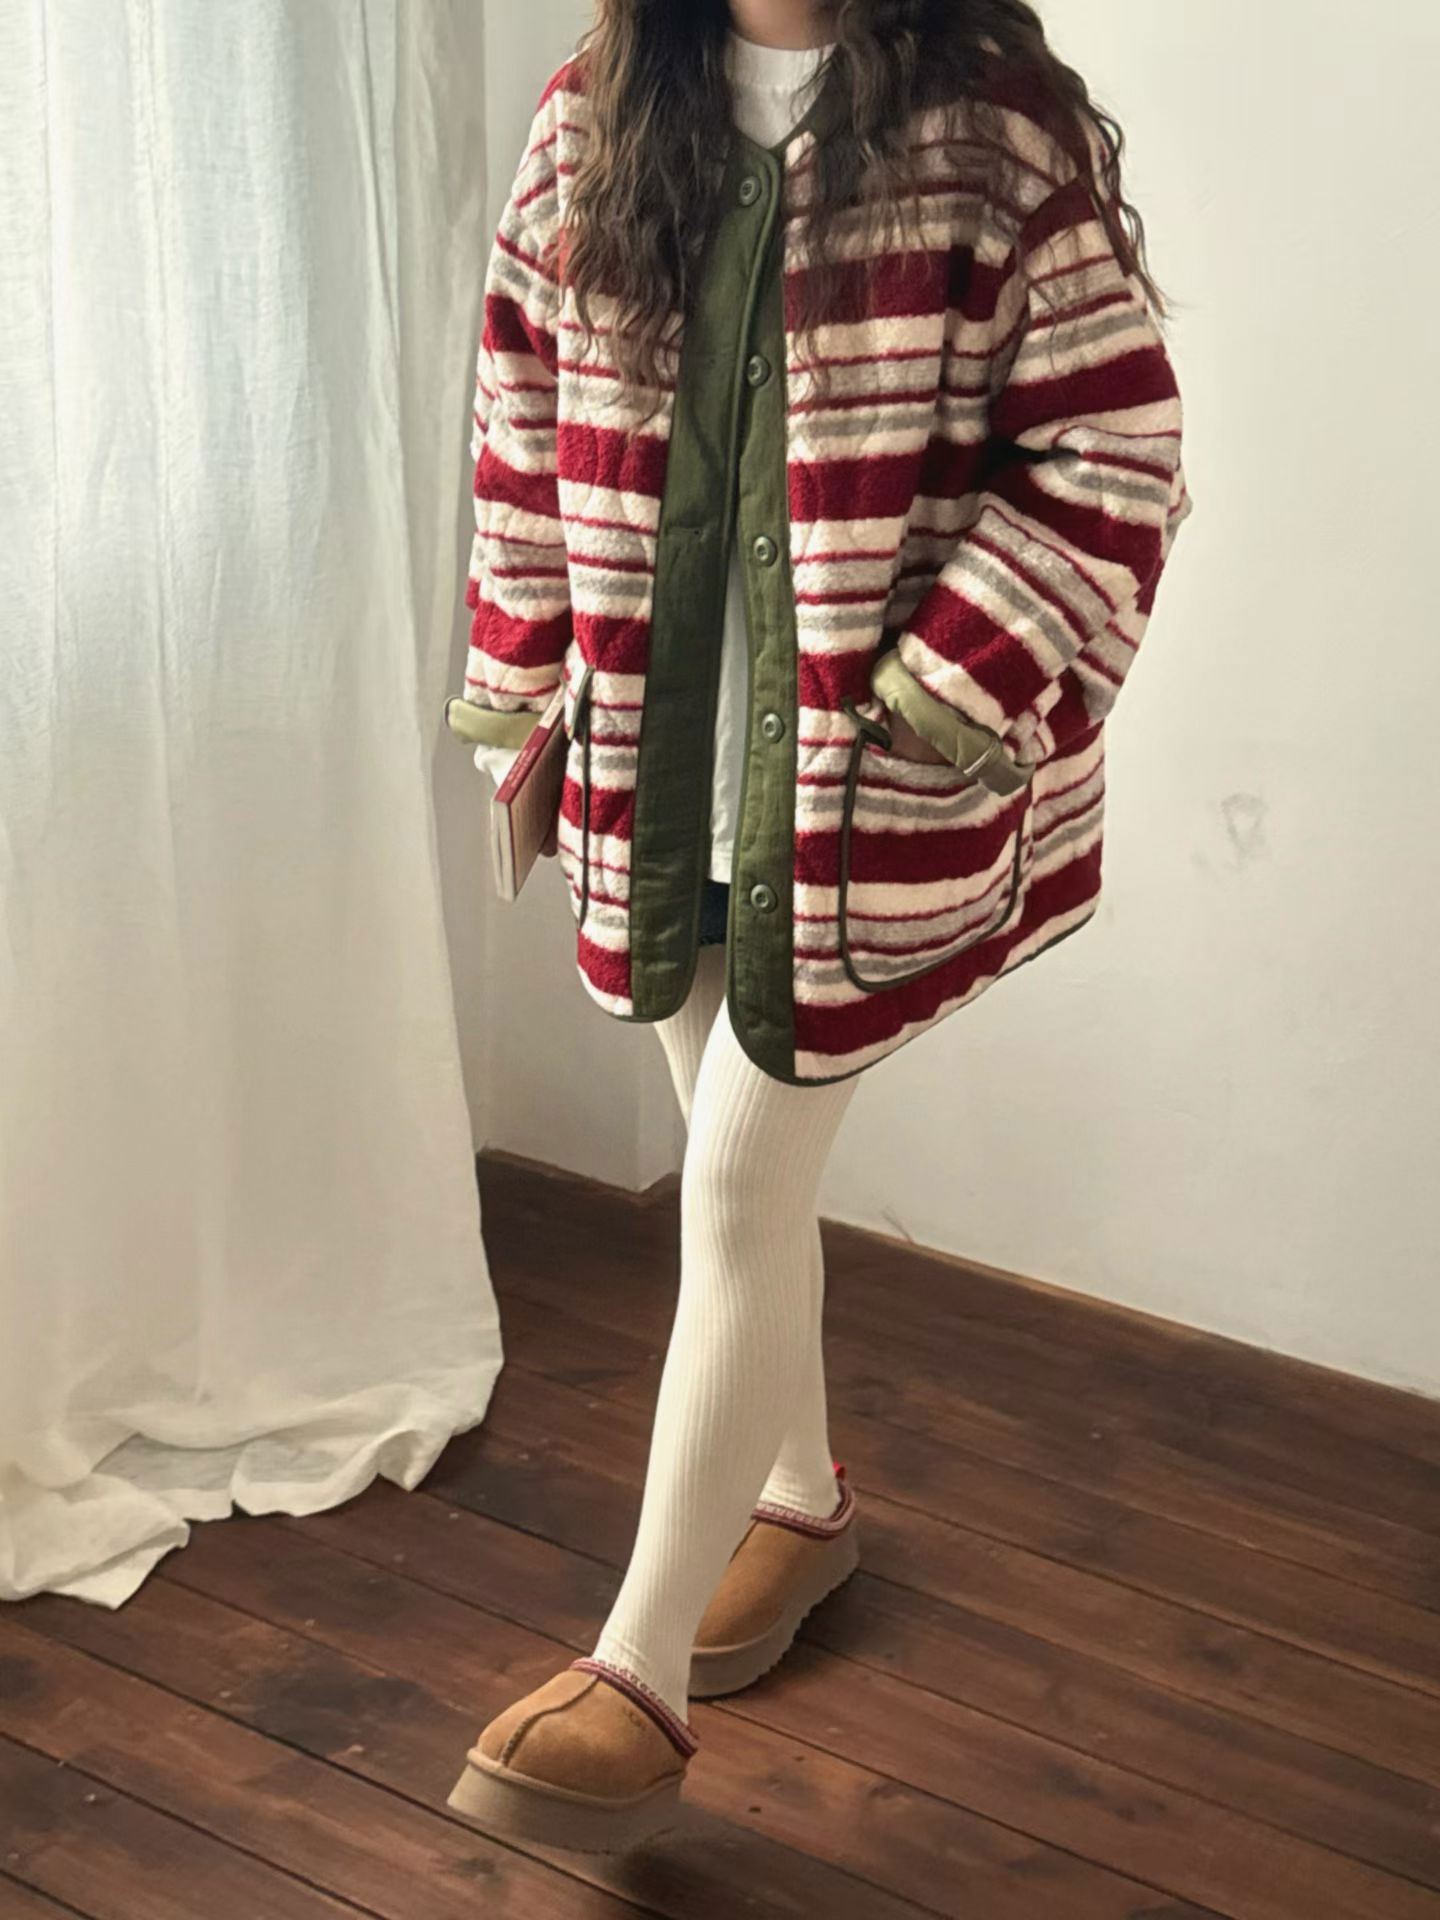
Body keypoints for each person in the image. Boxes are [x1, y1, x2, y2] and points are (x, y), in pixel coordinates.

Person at [443, 0, 1193, 1852]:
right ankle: (801, 1505)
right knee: (742, 1192)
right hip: (656, 768)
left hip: (861, 803)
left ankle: (635, 1674)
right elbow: (521, 420)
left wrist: (946, 691)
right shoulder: (592, 122)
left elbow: (1113, 448)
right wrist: (521, 681)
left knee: (731, 1189)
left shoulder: (989, 132)